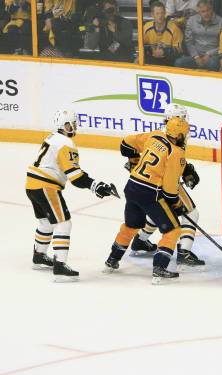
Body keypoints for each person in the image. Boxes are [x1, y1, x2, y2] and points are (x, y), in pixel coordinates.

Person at [26, 109, 116, 282]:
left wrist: (92, 184)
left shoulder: (52, 137)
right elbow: (75, 176)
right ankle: (60, 265)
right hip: (46, 186)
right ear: (61, 125)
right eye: (69, 124)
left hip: (31, 184)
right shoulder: (65, 143)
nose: (72, 127)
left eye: (73, 124)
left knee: (45, 222)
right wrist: (94, 185)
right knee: (63, 223)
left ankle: (39, 256)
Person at [104, 117, 190, 284]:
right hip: (150, 194)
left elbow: (126, 143)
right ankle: (159, 268)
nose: (185, 137)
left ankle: (112, 259)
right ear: (178, 135)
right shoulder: (177, 153)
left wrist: (134, 162)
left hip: (132, 186)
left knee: (131, 226)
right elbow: (170, 190)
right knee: (172, 231)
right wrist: (178, 205)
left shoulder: (155, 136)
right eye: (184, 134)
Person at [120, 104, 206, 267]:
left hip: (146, 184)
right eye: (183, 117)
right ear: (176, 119)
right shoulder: (177, 134)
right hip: (163, 184)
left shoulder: (160, 133)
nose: (186, 120)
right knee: (192, 213)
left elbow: (127, 144)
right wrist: (134, 162)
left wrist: (134, 163)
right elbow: (172, 161)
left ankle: (140, 241)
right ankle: (184, 252)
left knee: (160, 212)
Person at [175, 0, 222, 70]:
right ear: (198, 12)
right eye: (203, 11)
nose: (206, 14)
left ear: (212, 9)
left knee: (212, 63)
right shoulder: (191, 21)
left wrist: (209, 54)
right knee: (179, 62)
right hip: (196, 55)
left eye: (208, 10)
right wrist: (196, 56)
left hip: (214, 55)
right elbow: (189, 41)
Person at [143, 1, 184, 66]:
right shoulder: (146, 27)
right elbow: (142, 46)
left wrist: (165, 51)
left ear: (165, 13)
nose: (160, 16)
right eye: (157, 13)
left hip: (169, 60)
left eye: (162, 13)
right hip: (152, 59)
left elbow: (179, 50)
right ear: (152, 15)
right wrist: (151, 49)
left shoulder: (174, 29)